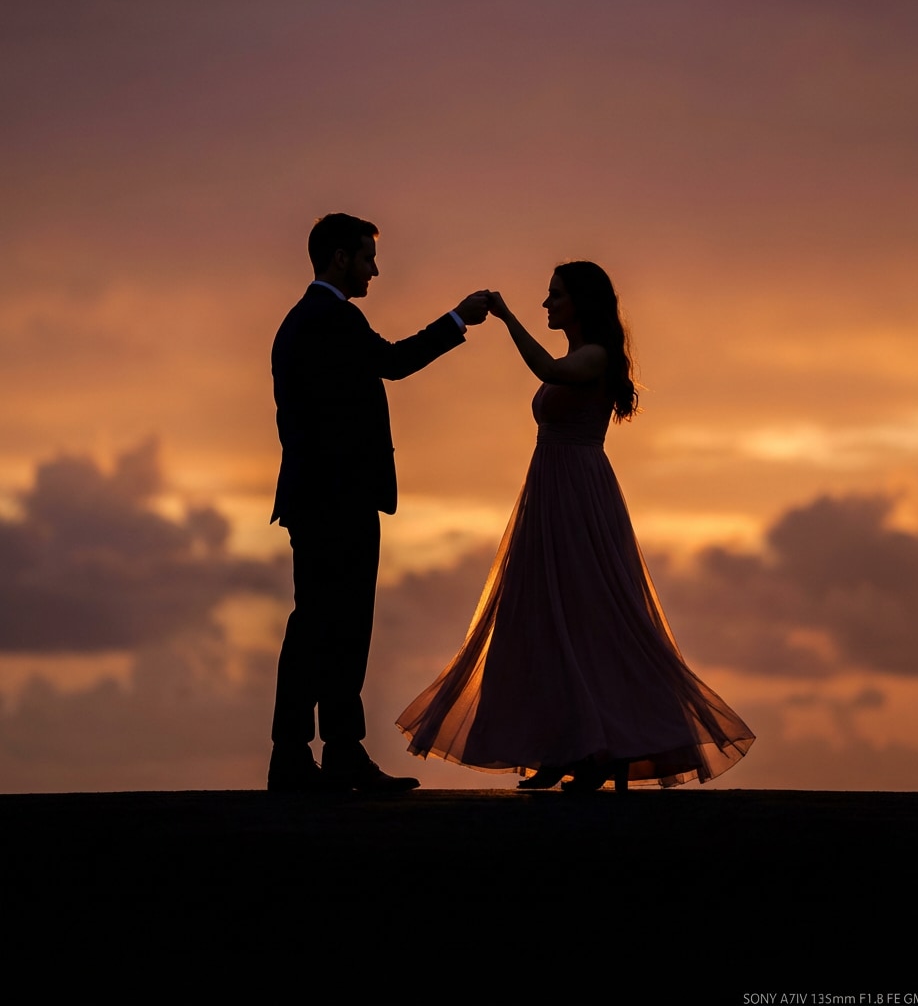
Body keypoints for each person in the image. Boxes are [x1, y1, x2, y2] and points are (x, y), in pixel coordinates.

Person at [397, 262, 754, 790]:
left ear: (581, 303)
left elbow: (550, 373)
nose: (546, 305)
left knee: (590, 614)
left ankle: (599, 750)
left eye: (555, 296)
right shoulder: (577, 355)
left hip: (580, 494)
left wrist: (505, 316)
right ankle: (561, 745)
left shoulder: (595, 357)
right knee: (542, 614)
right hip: (549, 491)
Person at [268, 212, 489, 793]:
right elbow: (393, 362)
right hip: (336, 501)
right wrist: (458, 319)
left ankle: (316, 754)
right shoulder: (332, 320)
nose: (375, 269)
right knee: (332, 627)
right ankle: (319, 754)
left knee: (320, 624)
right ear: (340, 258)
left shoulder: (300, 322)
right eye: (367, 257)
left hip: (318, 499)